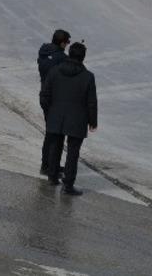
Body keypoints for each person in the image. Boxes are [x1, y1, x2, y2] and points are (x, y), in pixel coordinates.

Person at [40, 42, 97, 196]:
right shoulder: (88, 77)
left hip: (56, 116)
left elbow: (45, 94)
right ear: (83, 57)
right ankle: (68, 185)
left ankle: (52, 177)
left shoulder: (54, 71)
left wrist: (49, 111)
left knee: (55, 147)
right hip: (77, 120)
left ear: (69, 53)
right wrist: (93, 122)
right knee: (73, 153)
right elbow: (91, 102)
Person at [37, 29, 71, 174]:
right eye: (67, 42)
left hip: (44, 96)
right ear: (62, 43)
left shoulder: (44, 52)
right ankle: (48, 166)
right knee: (54, 134)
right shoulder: (62, 59)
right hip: (55, 99)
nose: (68, 45)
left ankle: (49, 164)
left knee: (51, 133)